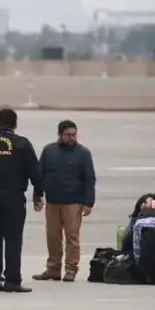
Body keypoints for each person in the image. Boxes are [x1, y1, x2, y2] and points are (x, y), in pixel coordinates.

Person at [0, 108, 43, 293]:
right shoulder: (22, 144)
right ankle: (12, 280)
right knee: (13, 239)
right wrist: (38, 193)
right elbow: (34, 171)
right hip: (13, 196)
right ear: (15, 123)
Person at [32, 120, 97, 283]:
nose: (72, 138)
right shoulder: (49, 151)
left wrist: (89, 202)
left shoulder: (83, 153)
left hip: (73, 202)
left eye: (74, 134)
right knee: (52, 236)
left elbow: (89, 179)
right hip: (53, 201)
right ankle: (53, 269)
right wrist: (37, 195)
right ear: (60, 135)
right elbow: (40, 174)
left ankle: (71, 269)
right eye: (68, 135)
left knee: (72, 237)